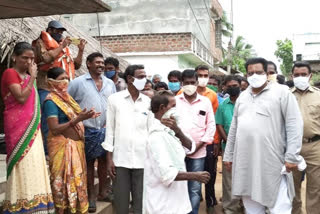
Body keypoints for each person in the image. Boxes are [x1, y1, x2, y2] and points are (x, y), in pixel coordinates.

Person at [223, 57, 305, 214]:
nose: (254, 75)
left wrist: (291, 156)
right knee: (252, 206)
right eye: (250, 72)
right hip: (246, 161)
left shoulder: (282, 92)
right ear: (246, 75)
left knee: (279, 207)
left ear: (267, 74)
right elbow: (234, 128)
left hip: (273, 161)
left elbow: (294, 125)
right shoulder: (243, 97)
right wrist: (228, 155)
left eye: (259, 72)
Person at [1, 42, 55, 213]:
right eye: (25, 58)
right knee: (22, 163)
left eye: (32, 59)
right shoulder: (10, 73)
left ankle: (36, 204)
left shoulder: (27, 76)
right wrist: (33, 77)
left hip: (33, 127)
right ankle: (20, 204)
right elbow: (22, 98)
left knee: (35, 162)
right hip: (17, 127)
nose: (29, 62)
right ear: (15, 57)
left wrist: (31, 77)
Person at [144, 90, 211, 214]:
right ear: (162, 108)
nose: (176, 109)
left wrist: (178, 131)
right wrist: (195, 176)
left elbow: (191, 146)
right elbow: (167, 174)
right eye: (173, 106)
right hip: (163, 204)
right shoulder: (156, 136)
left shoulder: (171, 130)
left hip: (176, 202)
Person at [44, 67, 100, 213]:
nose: (66, 81)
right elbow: (55, 128)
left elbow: (76, 116)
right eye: (62, 78)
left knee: (76, 181)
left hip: (76, 146)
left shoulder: (67, 98)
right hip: (61, 147)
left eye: (67, 78)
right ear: (52, 81)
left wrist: (87, 116)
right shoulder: (51, 101)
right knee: (62, 182)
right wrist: (78, 119)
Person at [68, 52, 116, 212]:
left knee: (103, 162)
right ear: (88, 64)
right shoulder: (77, 83)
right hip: (86, 130)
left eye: (102, 62)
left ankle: (103, 191)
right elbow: (67, 103)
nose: (101, 65)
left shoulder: (110, 83)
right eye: (97, 62)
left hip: (105, 130)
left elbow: (114, 105)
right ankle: (91, 196)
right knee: (88, 165)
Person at [102, 64, 152, 214]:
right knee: (121, 204)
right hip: (120, 160)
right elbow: (109, 131)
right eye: (141, 77)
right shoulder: (114, 100)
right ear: (130, 79)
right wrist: (109, 159)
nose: (145, 80)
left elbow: (152, 132)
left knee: (141, 203)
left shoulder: (148, 102)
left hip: (143, 160)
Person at [32, 20, 86, 153]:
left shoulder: (64, 46)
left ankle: (63, 148)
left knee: (64, 120)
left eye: (61, 31)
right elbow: (46, 59)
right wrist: (62, 47)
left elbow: (76, 66)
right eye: (57, 31)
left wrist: (80, 51)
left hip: (62, 92)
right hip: (46, 88)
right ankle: (47, 152)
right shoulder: (40, 43)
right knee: (47, 122)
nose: (60, 34)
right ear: (49, 30)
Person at [176, 69, 216, 214]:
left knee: (195, 188)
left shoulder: (205, 102)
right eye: (186, 83)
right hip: (177, 151)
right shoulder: (175, 101)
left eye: (192, 82)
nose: (190, 85)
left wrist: (198, 146)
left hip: (199, 152)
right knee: (178, 186)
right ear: (181, 84)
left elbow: (211, 125)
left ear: (197, 83)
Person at [291, 61, 320, 214]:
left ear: (310, 76)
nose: (300, 77)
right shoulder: (286, 96)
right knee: (292, 185)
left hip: (315, 146)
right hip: (292, 147)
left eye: (303, 74)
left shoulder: (319, 96)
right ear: (292, 76)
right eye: (297, 75)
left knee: (316, 187)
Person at [215, 75, 244, 214]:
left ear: (241, 85)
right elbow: (219, 124)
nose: (233, 88)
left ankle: (246, 206)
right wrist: (228, 141)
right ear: (225, 87)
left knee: (247, 179)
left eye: (235, 85)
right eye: (230, 86)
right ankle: (230, 209)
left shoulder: (247, 103)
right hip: (228, 148)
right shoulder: (222, 105)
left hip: (247, 149)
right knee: (229, 182)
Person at [194, 65, 220, 214]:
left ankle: (210, 202)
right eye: (200, 75)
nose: (203, 78)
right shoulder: (182, 93)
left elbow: (214, 121)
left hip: (209, 141)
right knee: (192, 172)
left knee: (210, 172)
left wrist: (216, 142)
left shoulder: (212, 95)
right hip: (191, 142)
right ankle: (194, 201)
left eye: (205, 75)